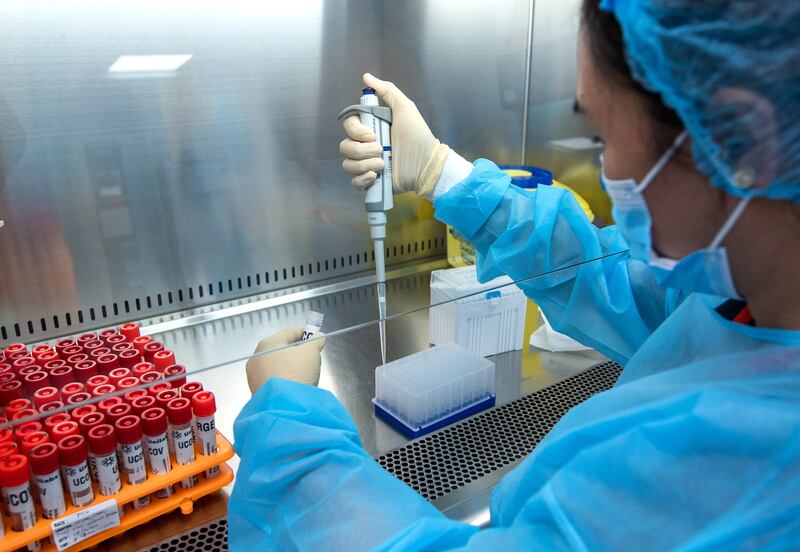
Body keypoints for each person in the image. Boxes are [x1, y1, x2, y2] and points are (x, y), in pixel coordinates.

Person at [230, 0, 800, 549]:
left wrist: (288, 433)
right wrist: (442, 173)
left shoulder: (752, 459)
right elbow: (627, 287)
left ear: (738, 138)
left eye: (603, 136)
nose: (606, 168)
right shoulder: (751, 297)